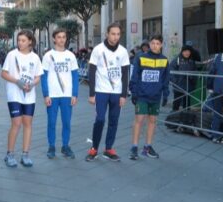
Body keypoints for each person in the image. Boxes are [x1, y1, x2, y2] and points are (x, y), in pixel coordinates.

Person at [86, 23, 130, 162]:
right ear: (107, 34)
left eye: (118, 34)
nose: (115, 37)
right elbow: (91, 72)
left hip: (116, 92)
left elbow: (125, 74)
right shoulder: (98, 50)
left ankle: (108, 149)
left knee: (114, 121)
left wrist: (124, 95)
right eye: (113, 34)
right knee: (100, 120)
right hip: (101, 91)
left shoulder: (123, 51)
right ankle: (94, 148)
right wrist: (91, 94)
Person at [1, 30, 43, 167]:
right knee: (17, 123)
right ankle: (10, 154)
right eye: (19, 40)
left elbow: (38, 76)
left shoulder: (35, 58)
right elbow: (4, 73)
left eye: (23, 40)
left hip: (29, 96)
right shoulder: (12, 55)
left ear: (30, 41)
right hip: (14, 95)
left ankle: (25, 155)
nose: (20, 43)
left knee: (27, 124)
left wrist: (32, 84)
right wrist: (17, 81)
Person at [129, 34, 170, 160]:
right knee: (139, 121)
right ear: (149, 44)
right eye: (153, 43)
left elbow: (165, 79)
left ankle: (147, 147)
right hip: (142, 95)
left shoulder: (164, 60)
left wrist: (165, 94)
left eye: (158, 43)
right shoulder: (140, 58)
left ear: (161, 45)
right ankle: (134, 147)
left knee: (152, 121)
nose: (155, 46)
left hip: (156, 96)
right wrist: (134, 92)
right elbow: (134, 76)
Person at [41, 28, 79, 159]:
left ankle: (65, 146)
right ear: (54, 39)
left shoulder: (71, 56)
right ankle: (51, 146)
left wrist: (75, 94)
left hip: (67, 95)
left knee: (66, 122)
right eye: (59, 37)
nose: (62, 39)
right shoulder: (48, 56)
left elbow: (75, 76)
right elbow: (43, 76)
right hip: (52, 95)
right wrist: (46, 94)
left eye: (64, 37)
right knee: (51, 122)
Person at [169, 45, 198, 111]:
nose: (187, 53)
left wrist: (193, 80)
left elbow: (195, 72)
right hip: (178, 87)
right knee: (176, 104)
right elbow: (170, 71)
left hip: (188, 86)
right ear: (182, 52)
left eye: (188, 51)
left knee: (187, 105)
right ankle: (174, 118)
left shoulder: (191, 61)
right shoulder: (177, 60)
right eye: (185, 51)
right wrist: (175, 82)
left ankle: (186, 119)